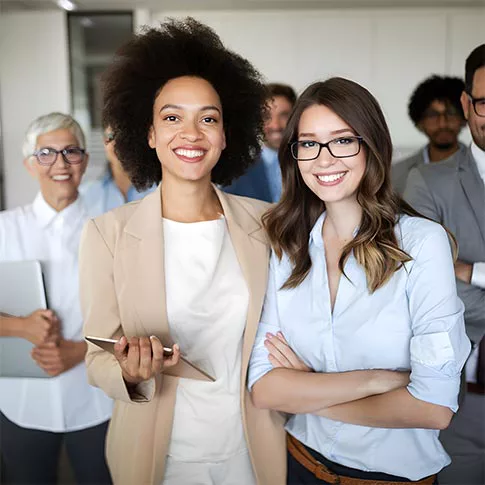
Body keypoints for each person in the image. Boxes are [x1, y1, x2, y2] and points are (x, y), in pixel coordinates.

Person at [79, 18, 286, 485]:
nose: (191, 133)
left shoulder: (268, 223)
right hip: (156, 453)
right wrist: (130, 374)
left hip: (250, 448)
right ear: (148, 133)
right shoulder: (107, 233)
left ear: (227, 133)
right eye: (172, 117)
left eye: (207, 118)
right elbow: (97, 358)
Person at [248, 77, 471, 485]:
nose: (324, 159)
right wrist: (374, 381)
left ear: (372, 145)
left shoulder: (422, 244)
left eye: (343, 140)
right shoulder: (289, 244)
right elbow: (264, 389)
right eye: (309, 143)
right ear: (294, 154)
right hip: (299, 464)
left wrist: (310, 393)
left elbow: (433, 408)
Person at [0, 112, 112, 484]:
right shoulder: (4, 228)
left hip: (97, 400)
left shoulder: (112, 228)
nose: (60, 164)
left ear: (85, 160)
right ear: (29, 165)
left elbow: (140, 315)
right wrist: (19, 326)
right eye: (46, 153)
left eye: (71, 152)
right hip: (20, 402)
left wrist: (81, 350)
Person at [404, 44, 485, 485]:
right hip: (463, 379)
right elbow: (424, 277)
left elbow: (454, 272)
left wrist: (471, 270)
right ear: (467, 104)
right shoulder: (421, 179)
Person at [392, 75, 466, 193]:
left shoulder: (480, 167)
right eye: (432, 115)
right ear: (420, 122)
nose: (442, 124)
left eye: (451, 113)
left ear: (464, 118)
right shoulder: (397, 174)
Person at [224, 83, 296, 202]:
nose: (275, 125)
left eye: (284, 115)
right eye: (266, 116)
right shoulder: (235, 176)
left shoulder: (315, 165)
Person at [80, 123, 155, 214]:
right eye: (112, 136)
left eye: (125, 136)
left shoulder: (161, 190)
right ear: (104, 142)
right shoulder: (87, 194)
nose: (118, 144)